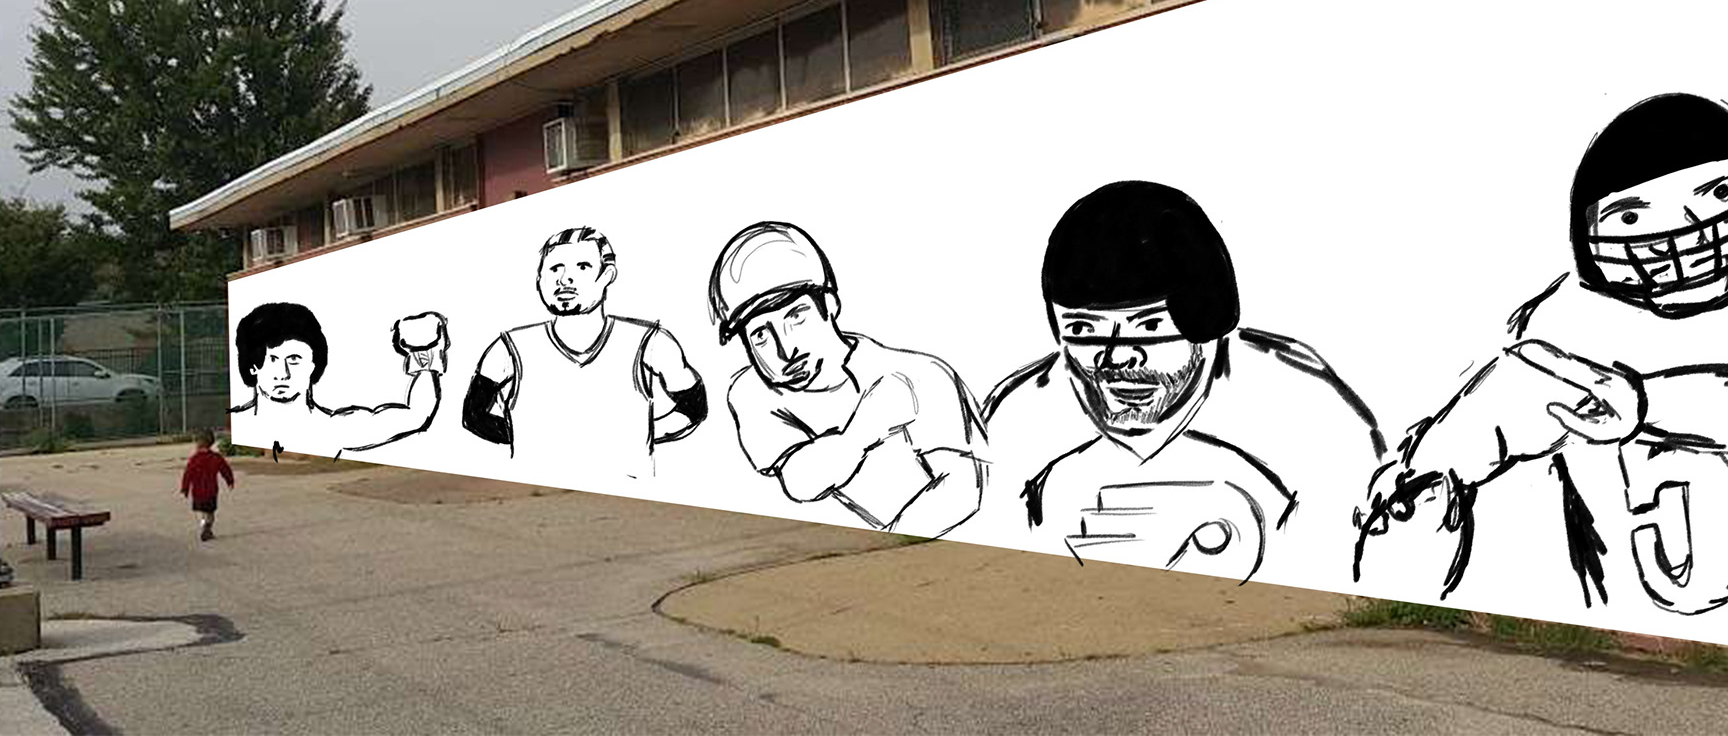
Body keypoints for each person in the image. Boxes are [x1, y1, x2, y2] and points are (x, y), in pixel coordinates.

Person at [1356, 94, 1728, 630]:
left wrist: (1643, 404)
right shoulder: (1572, 319)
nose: (1682, 232)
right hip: (1611, 622)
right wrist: (1427, 465)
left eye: (1717, 193)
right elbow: (1508, 401)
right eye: (1630, 217)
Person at [985, 181, 1386, 584]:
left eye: (1149, 326)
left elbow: (1349, 563)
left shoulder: (1307, 406)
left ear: (1207, 321)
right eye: (1083, 328)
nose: (1115, 356)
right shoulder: (1018, 419)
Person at [710, 220, 986, 538]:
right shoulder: (752, 393)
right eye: (760, 334)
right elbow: (801, 481)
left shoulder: (921, 375)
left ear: (829, 305)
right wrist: (865, 429)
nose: (785, 350)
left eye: (796, 316)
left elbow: (963, 491)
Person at [462, 225, 706, 476]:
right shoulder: (510, 347)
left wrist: (639, 433)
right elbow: (473, 415)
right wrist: (534, 437)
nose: (564, 279)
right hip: (540, 492)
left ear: (607, 275)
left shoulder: (649, 341)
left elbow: (693, 408)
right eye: (555, 268)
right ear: (539, 278)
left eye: (582, 267)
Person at [230, 302, 449, 459]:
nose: (283, 373)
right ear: (253, 366)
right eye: (272, 360)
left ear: (314, 364)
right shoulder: (239, 421)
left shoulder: (332, 430)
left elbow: (416, 416)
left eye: (294, 359)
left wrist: (424, 351)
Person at [180, 428, 235, 542]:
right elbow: (225, 470)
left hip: (198, 492)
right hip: (211, 491)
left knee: (202, 512)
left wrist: (185, 488)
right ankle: (207, 527)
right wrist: (230, 481)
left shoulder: (194, 459)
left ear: (197, 443)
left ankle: (204, 525)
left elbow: (187, 475)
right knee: (210, 512)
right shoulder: (216, 457)